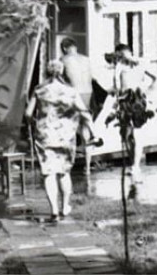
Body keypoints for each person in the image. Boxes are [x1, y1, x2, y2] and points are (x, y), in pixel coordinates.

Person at [25, 60, 102, 222]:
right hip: (65, 136)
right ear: (63, 73)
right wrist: (94, 134)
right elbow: (85, 113)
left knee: (48, 173)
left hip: (44, 135)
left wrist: (37, 122)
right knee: (63, 172)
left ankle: (54, 210)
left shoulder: (39, 90)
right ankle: (65, 206)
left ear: (47, 72)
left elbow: (28, 113)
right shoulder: (70, 91)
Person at [108, 44, 157, 182]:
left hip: (137, 101)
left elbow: (156, 78)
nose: (121, 57)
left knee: (136, 133)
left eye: (122, 54)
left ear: (129, 52)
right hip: (124, 102)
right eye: (119, 55)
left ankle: (136, 165)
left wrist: (146, 91)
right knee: (126, 135)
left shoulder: (140, 64)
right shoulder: (120, 66)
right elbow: (117, 86)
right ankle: (133, 164)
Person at [60, 38, 93, 110]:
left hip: (75, 91)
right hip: (88, 91)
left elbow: (58, 77)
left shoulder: (64, 59)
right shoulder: (86, 59)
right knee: (84, 114)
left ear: (64, 48)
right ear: (75, 47)